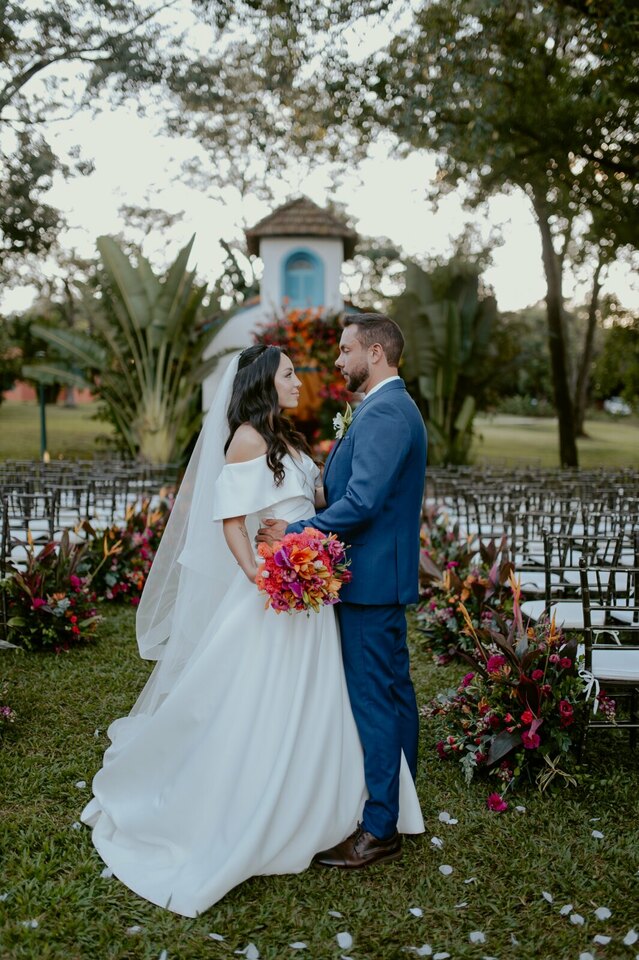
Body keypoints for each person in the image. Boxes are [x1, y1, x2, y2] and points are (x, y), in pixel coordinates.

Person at [81, 344, 424, 918]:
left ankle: (320, 800)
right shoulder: (246, 438)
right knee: (255, 702)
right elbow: (230, 520)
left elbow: (311, 498)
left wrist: (305, 542)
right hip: (274, 593)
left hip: (307, 592)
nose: (300, 379)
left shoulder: (286, 437)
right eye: (289, 373)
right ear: (265, 381)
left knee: (320, 699)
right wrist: (262, 576)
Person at [258, 314, 427, 869]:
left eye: (346, 348)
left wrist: (298, 533)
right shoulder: (387, 408)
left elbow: (361, 504)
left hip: (369, 583)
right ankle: (400, 806)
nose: (338, 360)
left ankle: (378, 828)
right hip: (381, 578)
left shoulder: (385, 413)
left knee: (375, 700)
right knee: (396, 693)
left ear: (375, 353)